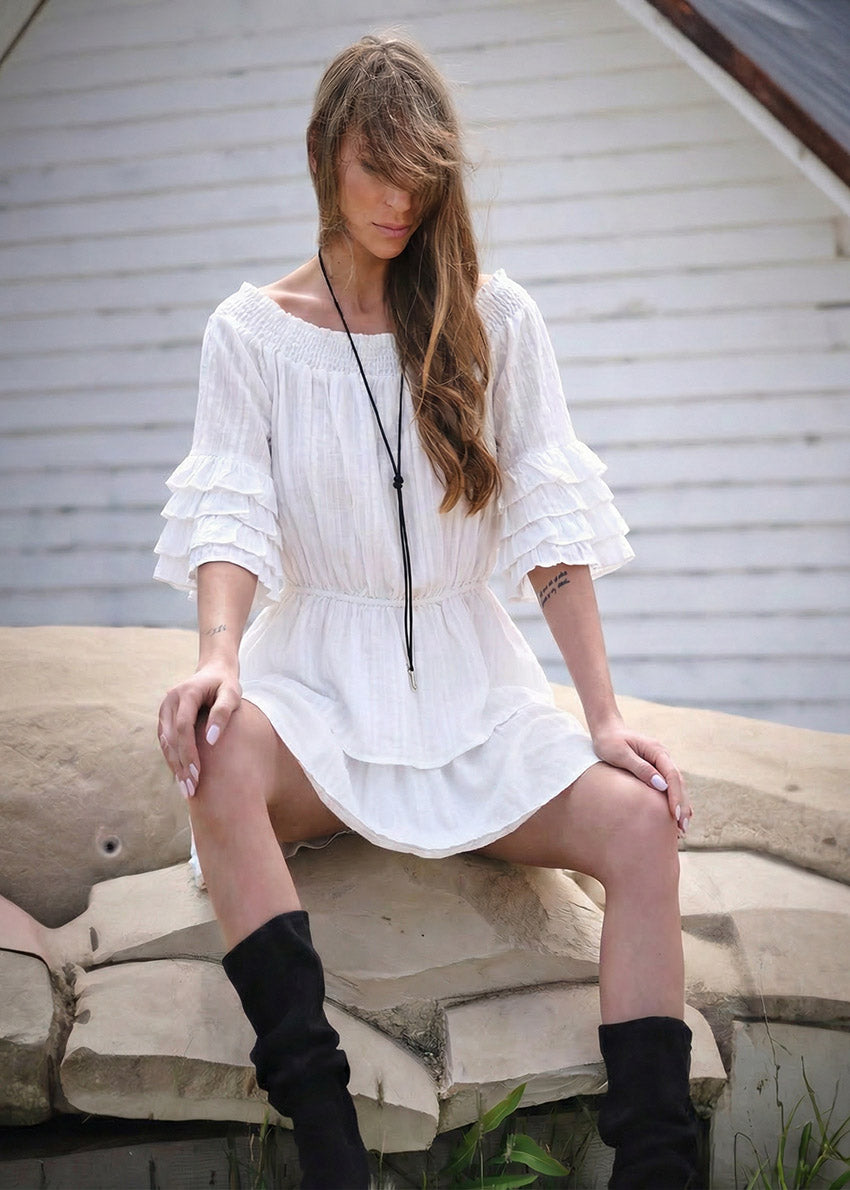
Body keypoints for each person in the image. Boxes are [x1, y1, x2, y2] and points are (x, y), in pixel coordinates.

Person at [153, 32, 700, 1190]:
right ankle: (327, 1135)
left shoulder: (495, 319)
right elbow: (230, 514)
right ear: (322, 158)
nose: (398, 200)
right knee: (212, 747)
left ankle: (658, 1160)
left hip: (475, 694)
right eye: (373, 168)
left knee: (643, 824)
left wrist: (601, 721)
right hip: (316, 691)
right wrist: (218, 658)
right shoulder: (248, 334)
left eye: (420, 173)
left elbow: (551, 534)